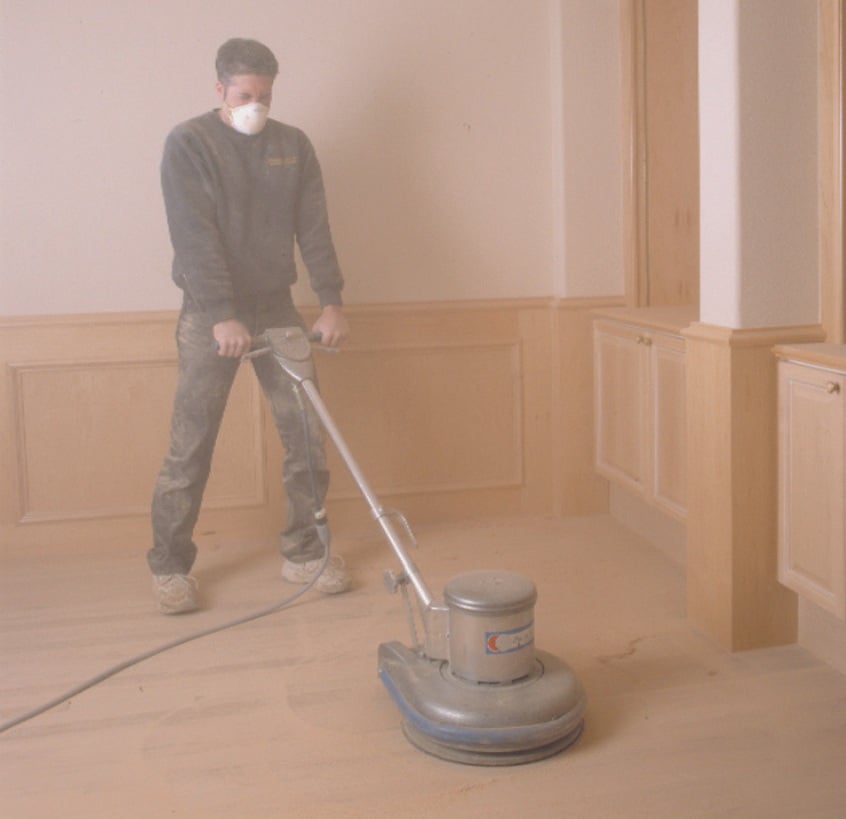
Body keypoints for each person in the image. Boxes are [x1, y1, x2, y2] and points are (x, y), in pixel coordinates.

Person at [148, 38, 351, 614]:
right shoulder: (189, 143)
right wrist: (220, 313)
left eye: (264, 95)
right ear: (220, 89)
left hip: (276, 308)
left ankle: (306, 552)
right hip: (210, 314)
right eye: (244, 95)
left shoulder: (292, 145)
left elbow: (313, 225)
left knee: (306, 436)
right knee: (191, 445)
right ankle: (168, 567)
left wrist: (331, 301)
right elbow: (193, 235)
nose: (255, 106)